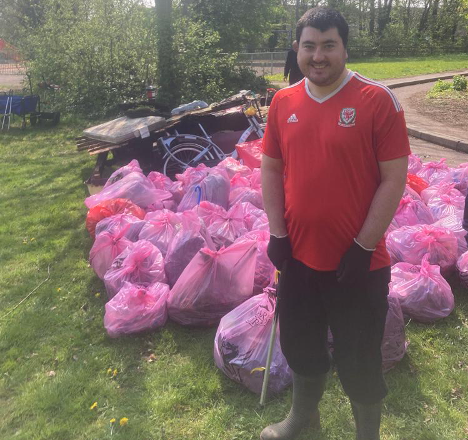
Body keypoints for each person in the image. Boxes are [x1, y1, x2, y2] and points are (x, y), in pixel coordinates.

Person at [261, 7, 410, 440]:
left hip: (358, 263)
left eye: (329, 45)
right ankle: (302, 419)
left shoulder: (377, 101)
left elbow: (393, 179)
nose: (319, 55)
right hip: (299, 259)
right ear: (297, 49)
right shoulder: (282, 102)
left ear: (345, 48)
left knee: (359, 356)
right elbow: (270, 170)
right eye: (310, 45)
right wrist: (277, 233)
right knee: (301, 347)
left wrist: (363, 246)